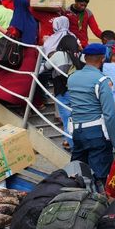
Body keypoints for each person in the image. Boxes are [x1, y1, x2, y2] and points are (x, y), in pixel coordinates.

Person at [67, 43, 115, 188]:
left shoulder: (72, 78)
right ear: (102, 59)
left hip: (77, 132)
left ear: (85, 58)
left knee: (77, 175)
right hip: (97, 133)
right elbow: (109, 115)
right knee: (99, 178)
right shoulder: (102, 81)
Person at [41, 16, 80, 150]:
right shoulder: (78, 55)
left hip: (62, 91)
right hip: (76, 91)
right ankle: (68, 140)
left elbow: (43, 68)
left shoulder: (58, 54)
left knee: (67, 119)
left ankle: (74, 147)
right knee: (76, 119)